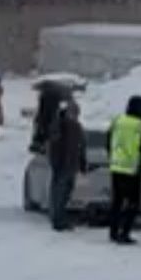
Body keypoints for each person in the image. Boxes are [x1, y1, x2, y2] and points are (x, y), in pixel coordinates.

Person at [108, 95, 141, 245]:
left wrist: (112, 155)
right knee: (133, 203)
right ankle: (125, 232)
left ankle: (114, 231)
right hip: (132, 169)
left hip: (116, 166)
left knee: (117, 201)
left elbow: (108, 141)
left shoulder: (117, 121)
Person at [47, 98, 87, 231]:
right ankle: (58, 220)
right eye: (74, 112)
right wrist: (56, 163)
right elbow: (54, 146)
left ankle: (61, 217)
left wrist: (82, 163)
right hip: (62, 165)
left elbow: (81, 146)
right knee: (59, 192)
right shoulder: (60, 125)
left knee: (67, 192)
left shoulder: (77, 127)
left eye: (77, 113)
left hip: (72, 165)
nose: (75, 115)